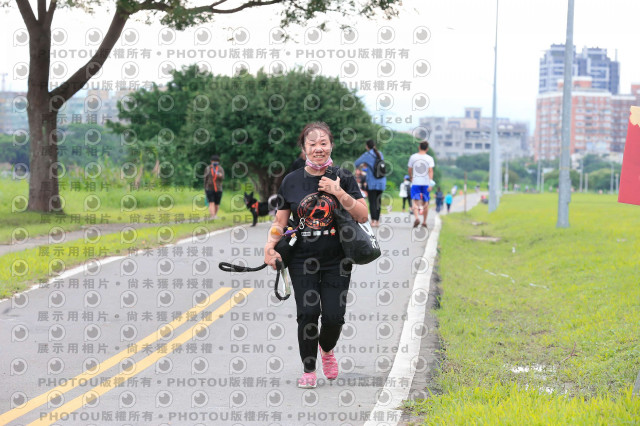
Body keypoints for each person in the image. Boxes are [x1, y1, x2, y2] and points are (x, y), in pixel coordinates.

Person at [264, 122, 368, 389]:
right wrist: (270, 245)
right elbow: (280, 221)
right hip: (302, 259)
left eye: (323, 143)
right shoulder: (291, 181)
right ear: (304, 149)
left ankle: (327, 348)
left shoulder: (343, 176)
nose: (319, 148)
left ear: (331, 145)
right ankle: (309, 368)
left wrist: (338, 191)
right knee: (308, 313)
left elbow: (362, 214)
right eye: (313, 144)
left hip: (337, 259)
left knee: (334, 317)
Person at [354, 139, 387, 227]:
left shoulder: (367, 155)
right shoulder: (379, 153)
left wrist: (363, 165)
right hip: (381, 181)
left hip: (372, 182)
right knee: (378, 201)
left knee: (372, 202)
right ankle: (377, 221)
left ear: (367, 146)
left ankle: (373, 221)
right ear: (374, 145)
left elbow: (356, 163)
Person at [407, 141, 435, 228]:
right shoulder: (429, 158)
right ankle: (424, 222)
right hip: (426, 183)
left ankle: (416, 218)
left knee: (415, 201)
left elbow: (409, 169)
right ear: (427, 148)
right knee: (426, 201)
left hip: (416, 182)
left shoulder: (413, 157)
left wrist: (411, 177)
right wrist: (430, 183)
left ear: (419, 147)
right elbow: (430, 171)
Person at [203, 155, 224, 219]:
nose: (215, 162)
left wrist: (220, 176)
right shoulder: (208, 168)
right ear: (211, 161)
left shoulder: (220, 169)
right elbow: (205, 179)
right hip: (209, 188)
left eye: (216, 161)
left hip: (218, 188)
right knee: (211, 202)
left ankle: (215, 215)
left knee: (217, 204)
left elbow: (223, 178)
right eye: (214, 161)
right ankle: (212, 216)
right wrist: (205, 188)